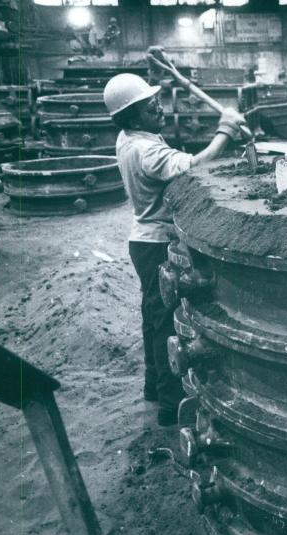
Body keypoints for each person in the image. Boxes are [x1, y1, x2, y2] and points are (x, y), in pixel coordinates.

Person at [103, 72, 247, 426]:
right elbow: (193, 167)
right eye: (150, 106)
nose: (160, 107)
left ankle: (154, 387)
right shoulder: (146, 149)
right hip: (155, 243)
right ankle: (170, 405)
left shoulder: (130, 137)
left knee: (152, 316)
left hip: (142, 239)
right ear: (133, 115)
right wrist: (225, 131)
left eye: (157, 101)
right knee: (165, 323)